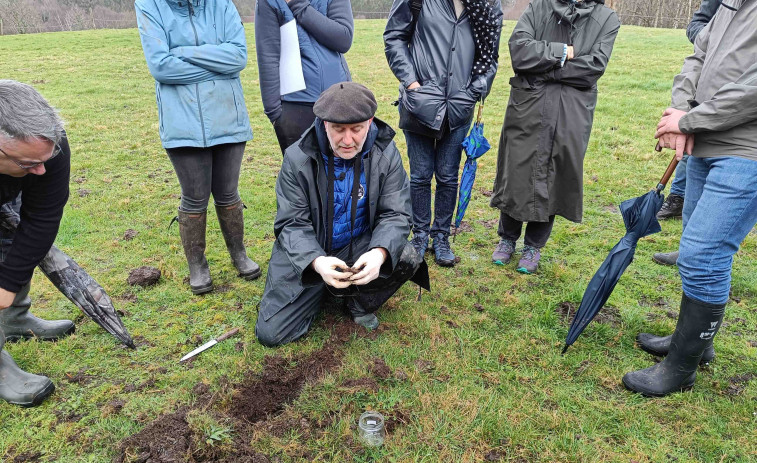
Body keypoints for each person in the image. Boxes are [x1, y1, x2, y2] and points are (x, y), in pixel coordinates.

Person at [623, 0, 757, 397]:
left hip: (747, 149)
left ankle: (681, 368)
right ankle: (697, 341)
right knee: (699, 249)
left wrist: (692, 119)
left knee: (703, 253)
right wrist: (681, 108)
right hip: (705, 141)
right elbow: (698, 53)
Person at [255, 83, 426, 347]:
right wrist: (315, 262)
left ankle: (357, 301)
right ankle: (323, 288)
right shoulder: (297, 159)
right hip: (313, 251)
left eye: (356, 129)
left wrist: (379, 253)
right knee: (271, 334)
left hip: (358, 245)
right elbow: (291, 222)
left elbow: (397, 214)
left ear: (369, 122)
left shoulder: (386, 153)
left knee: (405, 256)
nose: (348, 140)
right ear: (324, 124)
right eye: (338, 129)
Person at [135, 0, 260, 295]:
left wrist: (184, 52)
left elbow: (238, 58)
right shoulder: (148, 5)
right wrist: (216, 67)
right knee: (194, 198)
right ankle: (197, 264)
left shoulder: (222, 5)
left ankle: (239, 254)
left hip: (228, 116)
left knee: (229, 192)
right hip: (182, 124)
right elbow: (161, 67)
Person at [488, 0, 620, 274]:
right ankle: (507, 238)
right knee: (518, 169)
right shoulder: (539, 8)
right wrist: (561, 52)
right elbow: (519, 51)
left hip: (570, 110)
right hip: (529, 105)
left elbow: (593, 67)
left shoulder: (607, 18)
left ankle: (534, 245)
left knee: (555, 173)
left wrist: (544, 68)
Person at [384, 0, 503, 267]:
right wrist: (412, 84)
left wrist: (472, 92)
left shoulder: (487, 7)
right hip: (419, 105)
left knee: (449, 176)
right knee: (420, 175)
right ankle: (420, 235)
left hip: (459, 108)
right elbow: (394, 37)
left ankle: (441, 236)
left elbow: (490, 58)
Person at [0, 80, 75, 406]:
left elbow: (42, 217)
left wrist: (9, 283)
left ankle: (15, 317)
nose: (42, 170)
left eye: (45, 158)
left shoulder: (47, 143)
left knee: (13, 238)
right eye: (29, 164)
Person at [652, 0, 719, 264]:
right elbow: (697, 25)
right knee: (694, 159)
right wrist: (714, 41)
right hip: (706, 88)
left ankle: (703, 256)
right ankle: (688, 248)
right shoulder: (723, 4)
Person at [255, 0, 354, 154]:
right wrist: (275, 114)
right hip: (295, 106)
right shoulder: (270, 2)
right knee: (301, 174)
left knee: (339, 171)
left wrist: (299, 6)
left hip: (338, 99)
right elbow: (268, 55)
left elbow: (343, 39)